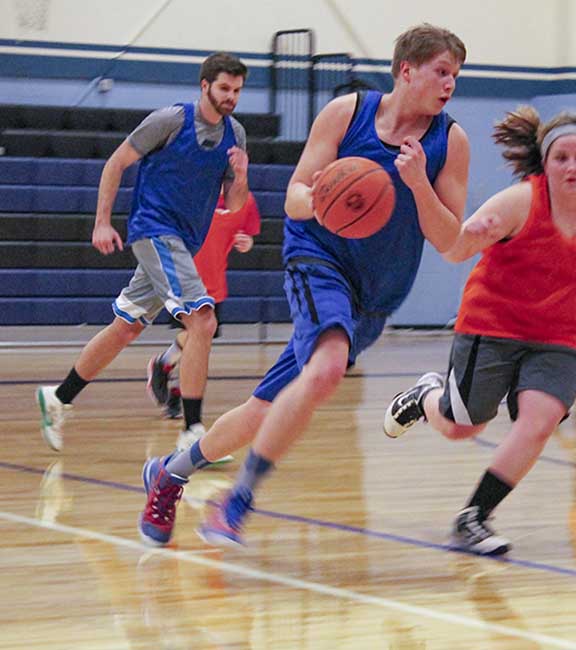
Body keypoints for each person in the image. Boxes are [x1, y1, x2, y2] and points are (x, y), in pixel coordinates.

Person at [136, 24, 469, 548]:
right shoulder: (347, 113)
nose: (451, 84)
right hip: (318, 260)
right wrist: (325, 200)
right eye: (442, 71)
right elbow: (294, 195)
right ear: (407, 70)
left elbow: (452, 242)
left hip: (376, 293)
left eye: (456, 75)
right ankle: (235, 502)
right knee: (328, 368)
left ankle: (169, 474)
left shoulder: (448, 141)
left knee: (264, 408)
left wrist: (419, 183)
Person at [383, 106, 576, 555]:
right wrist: (419, 184)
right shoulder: (519, 202)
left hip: (561, 338)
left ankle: (473, 517)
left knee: (539, 422)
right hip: (494, 325)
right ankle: (425, 396)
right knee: (462, 427)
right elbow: (455, 248)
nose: (572, 167)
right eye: (561, 158)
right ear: (546, 161)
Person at [35, 52, 249, 452]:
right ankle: (193, 433)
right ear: (205, 86)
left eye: (237, 90)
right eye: (224, 88)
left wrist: (242, 175)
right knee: (202, 323)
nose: (231, 97)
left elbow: (234, 205)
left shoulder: (235, 136)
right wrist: (102, 221)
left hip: (183, 242)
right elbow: (116, 163)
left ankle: (58, 397)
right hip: (154, 232)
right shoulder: (170, 120)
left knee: (127, 327)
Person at [147, 189, 261, 425]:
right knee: (195, 338)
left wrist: (246, 243)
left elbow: (248, 235)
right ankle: (176, 394)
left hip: (215, 280)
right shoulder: (193, 192)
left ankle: (164, 365)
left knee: (200, 342)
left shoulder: (245, 200)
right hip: (185, 278)